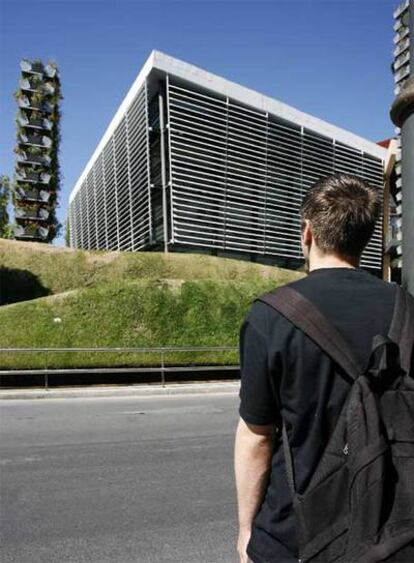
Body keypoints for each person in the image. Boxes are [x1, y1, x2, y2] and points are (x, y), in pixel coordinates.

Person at [234, 173, 399, 563]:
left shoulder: (271, 316)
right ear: (366, 238)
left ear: (306, 233)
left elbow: (257, 437)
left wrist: (246, 533)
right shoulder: (407, 309)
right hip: (390, 527)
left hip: (295, 537)